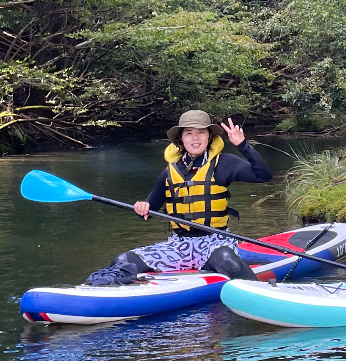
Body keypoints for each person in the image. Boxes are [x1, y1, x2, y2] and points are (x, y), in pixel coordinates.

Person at [85, 110, 272, 285]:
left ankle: (259, 295)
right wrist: (143, 207)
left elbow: (263, 175)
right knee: (122, 260)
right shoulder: (169, 172)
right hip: (179, 245)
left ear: (209, 136)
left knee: (227, 260)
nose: (195, 138)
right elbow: (150, 209)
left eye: (201, 132)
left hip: (215, 242)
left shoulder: (224, 163)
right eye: (189, 133)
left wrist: (243, 145)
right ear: (181, 138)